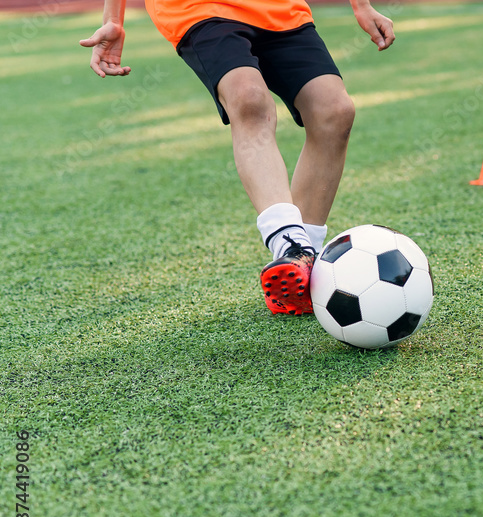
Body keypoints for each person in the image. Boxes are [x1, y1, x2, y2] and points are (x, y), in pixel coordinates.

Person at [81, 0, 395, 315]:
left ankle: (303, 267)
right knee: (249, 98)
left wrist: (362, 6)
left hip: (279, 9)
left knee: (335, 111)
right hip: (198, 9)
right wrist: (113, 19)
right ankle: (289, 242)